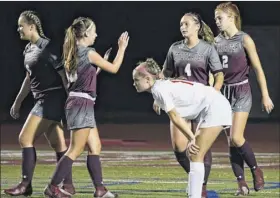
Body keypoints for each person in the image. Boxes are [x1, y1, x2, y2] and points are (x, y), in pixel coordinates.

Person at [44, 17, 129, 198]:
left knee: (95, 146)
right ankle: (52, 187)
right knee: (75, 149)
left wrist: (97, 69)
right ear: (86, 33)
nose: (96, 35)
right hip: (82, 104)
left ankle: (100, 189)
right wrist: (122, 48)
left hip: (78, 102)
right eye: (94, 31)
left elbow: (79, 82)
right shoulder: (89, 53)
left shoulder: (72, 53)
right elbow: (114, 69)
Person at [132, 58, 232, 198]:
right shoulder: (160, 86)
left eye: (136, 80)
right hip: (212, 105)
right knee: (194, 155)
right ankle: (195, 194)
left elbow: (175, 117)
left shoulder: (158, 89)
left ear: (148, 79)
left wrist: (192, 138)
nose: (134, 83)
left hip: (216, 106)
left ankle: (196, 195)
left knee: (195, 154)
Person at [4, 10, 75, 196]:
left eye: (21, 25)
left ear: (32, 27)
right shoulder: (28, 49)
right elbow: (29, 79)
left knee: (24, 138)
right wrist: (17, 102)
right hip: (41, 99)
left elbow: (63, 76)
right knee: (59, 145)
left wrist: (72, 100)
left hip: (51, 99)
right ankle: (67, 185)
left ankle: (25, 185)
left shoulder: (48, 47)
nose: (18, 29)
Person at [154, 12, 224, 197]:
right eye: (180, 24)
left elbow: (219, 75)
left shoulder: (208, 49)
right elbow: (165, 73)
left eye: (186, 24)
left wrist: (214, 94)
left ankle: (200, 187)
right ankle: (197, 179)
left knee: (201, 146)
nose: (183, 27)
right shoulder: (174, 49)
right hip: (181, 103)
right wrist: (157, 97)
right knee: (179, 147)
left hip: (201, 102)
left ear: (197, 27)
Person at [214, 2, 274, 195]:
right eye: (215, 18)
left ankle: (256, 169)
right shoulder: (215, 42)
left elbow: (258, 69)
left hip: (241, 91)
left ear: (231, 17)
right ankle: (242, 185)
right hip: (223, 94)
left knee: (236, 137)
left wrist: (265, 95)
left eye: (219, 17)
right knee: (230, 142)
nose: (217, 21)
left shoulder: (244, 39)